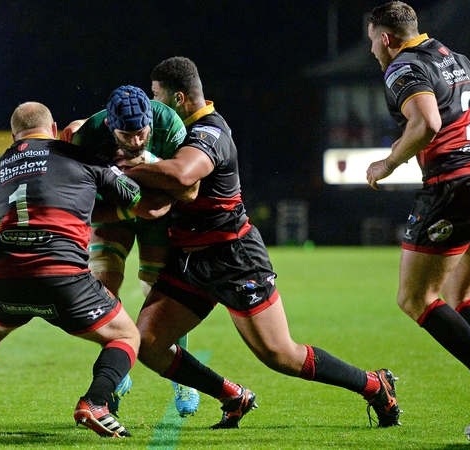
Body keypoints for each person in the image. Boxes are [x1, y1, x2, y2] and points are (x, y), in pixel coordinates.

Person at [121, 56, 401, 430]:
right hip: (191, 260)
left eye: (156, 96)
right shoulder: (173, 133)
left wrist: (122, 169)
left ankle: (374, 384)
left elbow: (184, 174)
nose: (151, 106)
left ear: (179, 98)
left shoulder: (209, 132)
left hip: (233, 258)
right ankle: (232, 395)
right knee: (148, 342)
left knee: (280, 355)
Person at [0, 102, 175, 438]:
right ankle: (96, 402)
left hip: (5, 274)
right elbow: (144, 204)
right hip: (61, 275)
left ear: (14, 136)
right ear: (54, 129)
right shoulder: (79, 155)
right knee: (127, 335)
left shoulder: (2, 165)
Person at [364, 2, 470, 444]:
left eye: (372, 42)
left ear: (386, 38)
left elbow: (427, 122)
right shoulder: (452, 56)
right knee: (463, 294)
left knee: (414, 297)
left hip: (456, 184)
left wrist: (388, 162)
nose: (373, 51)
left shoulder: (402, 66)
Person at [65, 85, 201, 417]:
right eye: (127, 135)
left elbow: (189, 189)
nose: (137, 141)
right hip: (114, 213)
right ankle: (117, 364)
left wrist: (146, 165)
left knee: (160, 295)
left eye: (142, 133)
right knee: (102, 288)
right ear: (110, 126)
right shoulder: (88, 137)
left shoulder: (168, 123)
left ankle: (182, 376)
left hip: (159, 213)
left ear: (151, 122)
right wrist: (127, 207)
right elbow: (80, 205)